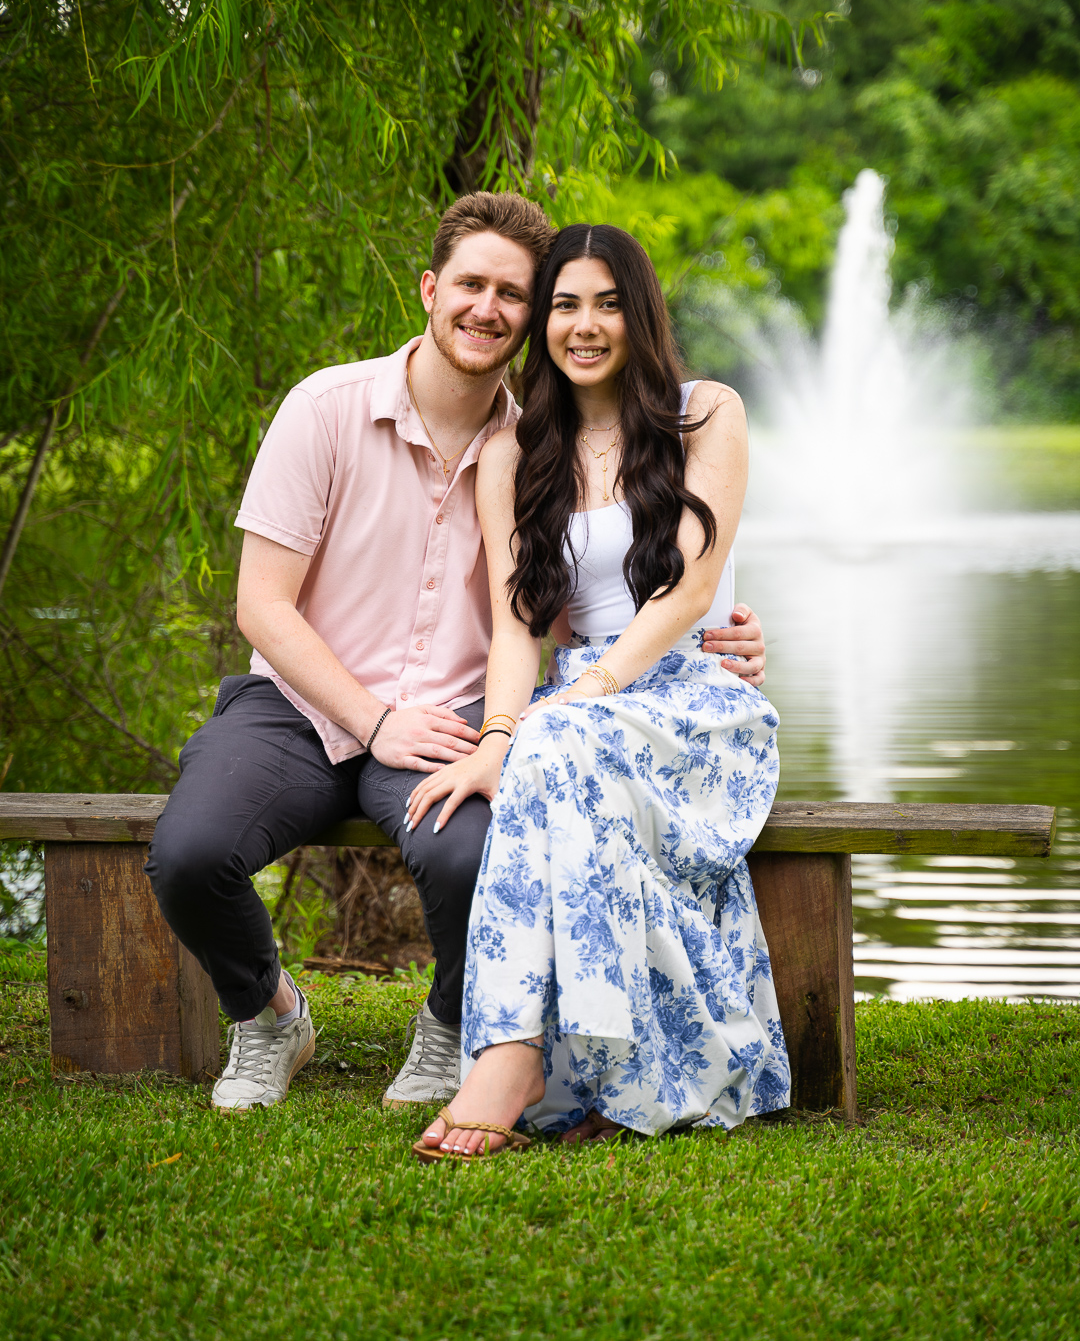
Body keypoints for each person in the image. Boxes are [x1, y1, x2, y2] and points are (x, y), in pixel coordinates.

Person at [145, 193, 770, 1114]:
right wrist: (378, 720)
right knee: (192, 853)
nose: (490, 308)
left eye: (514, 293)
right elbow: (259, 606)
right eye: (471, 284)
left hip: (468, 707)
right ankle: (271, 1015)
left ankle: (454, 1027)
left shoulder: (537, 438)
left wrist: (726, 636)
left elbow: (588, 604)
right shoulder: (331, 409)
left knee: (469, 854)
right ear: (431, 289)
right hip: (308, 709)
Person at [407, 222, 789, 1161]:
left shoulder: (707, 413)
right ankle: (527, 1051)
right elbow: (517, 626)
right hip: (579, 709)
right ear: (543, 323)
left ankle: (511, 1057)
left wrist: (593, 692)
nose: (586, 325)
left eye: (608, 304)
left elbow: (695, 587)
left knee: (560, 739)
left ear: (640, 312)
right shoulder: (514, 452)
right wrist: (500, 733)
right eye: (566, 305)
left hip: (696, 698)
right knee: (549, 745)